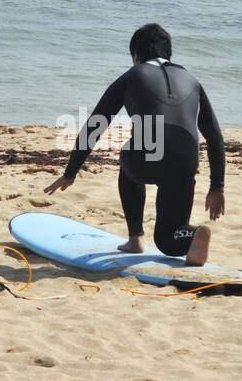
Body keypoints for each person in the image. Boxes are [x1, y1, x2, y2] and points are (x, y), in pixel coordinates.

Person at [43, 24, 225, 265]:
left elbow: (95, 125)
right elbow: (214, 136)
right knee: (169, 241)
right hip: (185, 161)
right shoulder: (192, 80)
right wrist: (217, 187)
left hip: (147, 158)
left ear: (135, 55)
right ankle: (192, 234)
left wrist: (70, 172)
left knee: (128, 156)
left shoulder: (132, 76)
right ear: (168, 53)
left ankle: (136, 238)